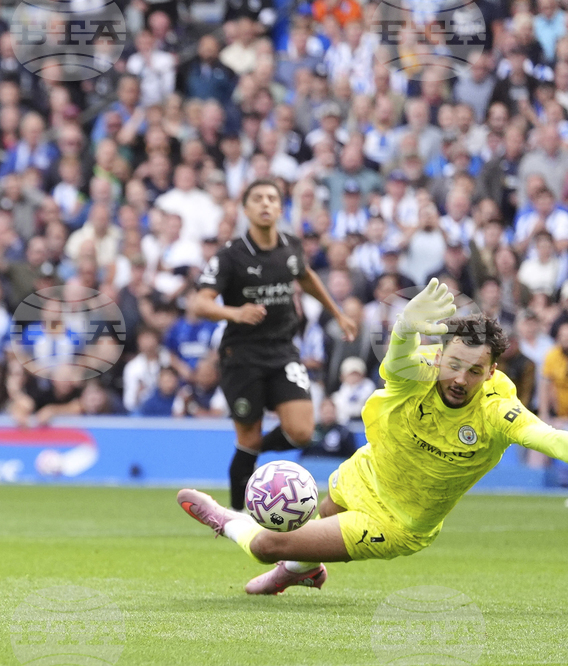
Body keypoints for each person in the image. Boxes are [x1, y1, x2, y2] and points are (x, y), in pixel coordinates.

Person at [178, 280, 568, 594]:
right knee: (321, 520)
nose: (461, 379)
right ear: (440, 355)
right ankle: (302, 570)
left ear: (492, 370)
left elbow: (546, 436)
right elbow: (396, 364)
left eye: (475, 371)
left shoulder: (497, 409)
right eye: (454, 364)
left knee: (268, 545)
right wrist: (406, 329)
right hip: (365, 472)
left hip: (396, 522)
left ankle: (228, 520)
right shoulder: (421, 371)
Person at [190, 178, 358, 510]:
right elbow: (200, 303)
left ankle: (251, 451)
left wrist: (338, 313)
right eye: (258, 198)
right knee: (247, 435)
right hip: (242, 355)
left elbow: (306, 276)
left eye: (272, 198)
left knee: (302, 432)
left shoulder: (291, 246)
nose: (266, 203)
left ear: (281, 208)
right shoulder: (231, 255)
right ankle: (236, 517)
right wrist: (236, 313)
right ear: (245, 209)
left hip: (283, 351)